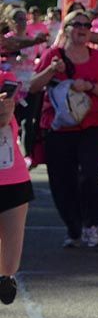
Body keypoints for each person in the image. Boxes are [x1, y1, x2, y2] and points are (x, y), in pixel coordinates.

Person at [27, 10, 98, 248]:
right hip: (58, 127)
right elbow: (33, 87)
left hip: (93, 124)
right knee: (62, 181)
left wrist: (88, 86)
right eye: (77, 24)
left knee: (90, 176)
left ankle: (91, 224)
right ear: (66, 28)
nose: (82, 28)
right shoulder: (53, 55)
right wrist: (50, 71)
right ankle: (73, 226)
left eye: (86, 25)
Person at [0, 72, 31, 304]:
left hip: (12, 179)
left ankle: (4, 278)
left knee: (10, 264)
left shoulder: (5, 80)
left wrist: (4, 109)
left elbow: (4, 118)